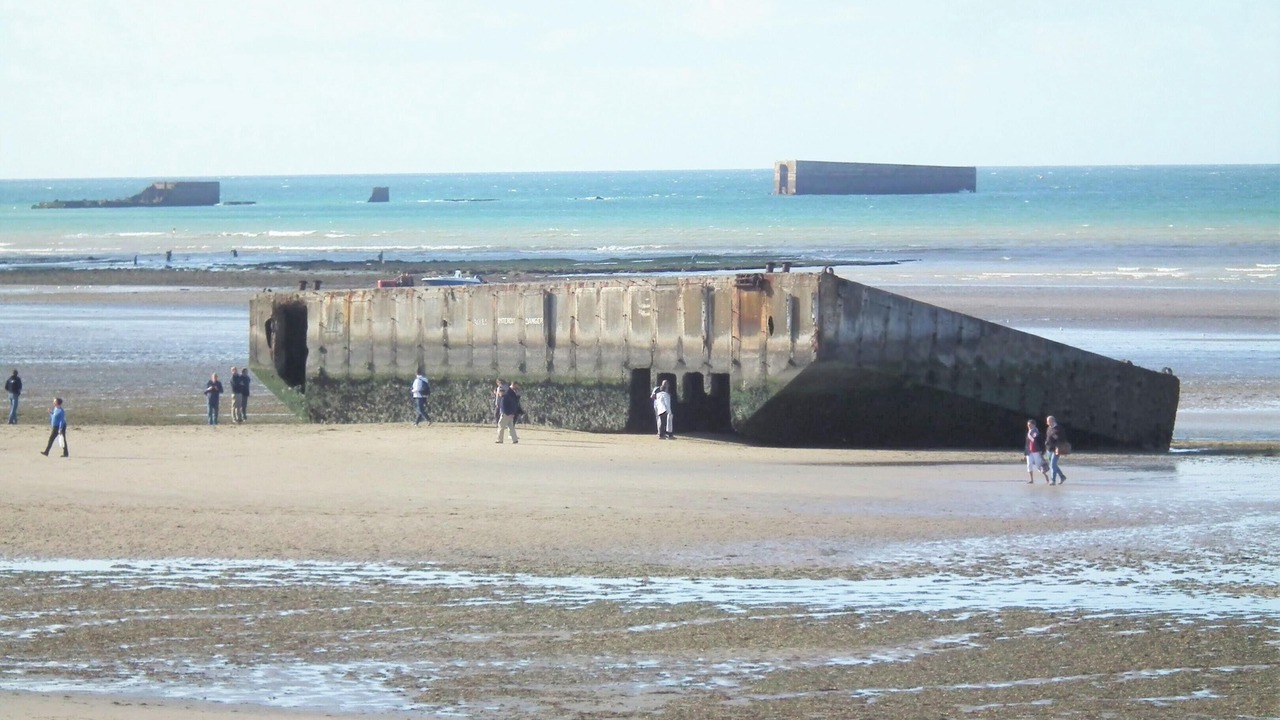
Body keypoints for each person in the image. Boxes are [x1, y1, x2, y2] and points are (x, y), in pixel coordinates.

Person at [1024, 418, 1049, 484]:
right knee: (1029, 465)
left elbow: (1038, 441)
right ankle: (1031, 479)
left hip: (1036, 451)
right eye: (1028, 425)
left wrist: (1042, 451)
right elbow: (1027, 443)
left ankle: (1046, 477)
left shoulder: (1036, 432)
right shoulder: (1028, 432)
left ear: (1034, 425)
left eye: (1030, 425)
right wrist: (1025, 453)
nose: (1029, 426)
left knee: (1039, 465)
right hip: (1029, 451)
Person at [1045, 415, 1068, 485]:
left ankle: (1053, 480)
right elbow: (1048, 437)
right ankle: (1062, 476)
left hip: (1057, 449)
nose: (1047, 423)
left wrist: (1057, 438)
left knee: (1052, 464)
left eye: (1048, 421)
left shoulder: (1059, 428)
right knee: (1052, 465)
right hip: (1049, 449)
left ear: (1052, 421)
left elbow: (1063, 439)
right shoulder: (1049, 428)